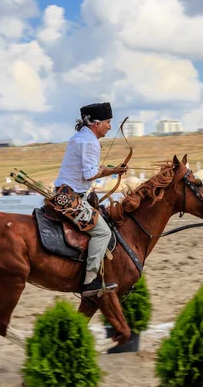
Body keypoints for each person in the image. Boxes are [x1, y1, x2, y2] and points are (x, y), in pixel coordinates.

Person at [53, 102, 128, 297]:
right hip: (70, 198)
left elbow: (91, 171)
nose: (110, 127)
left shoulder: (80, 138)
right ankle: (90, 281)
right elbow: (89, 175)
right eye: (108, 122)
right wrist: (105, 171)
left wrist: (112, 170)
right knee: (103, 232)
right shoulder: (90, 142)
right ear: (96, 124)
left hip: (64, 193)